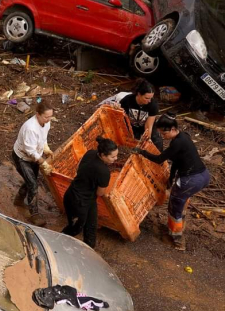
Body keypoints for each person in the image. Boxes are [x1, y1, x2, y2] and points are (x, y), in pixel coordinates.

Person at [135, 115, 210, 250]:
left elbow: (159, 159)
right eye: (161, 133)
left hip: (190, 180)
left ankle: (177, 239)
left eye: (164, 133)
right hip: (203, 175)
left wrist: (141, 152)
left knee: (174, 205)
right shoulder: (183, 137)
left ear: (173, 129)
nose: (163, 136)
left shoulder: (177, 142)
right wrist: (171, 178)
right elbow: (176, 160)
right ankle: (180, 226)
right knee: (182, 200)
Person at [62, 136, 118, 249]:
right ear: (103, 155)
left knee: (91, 225)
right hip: (78, 201)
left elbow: (79, 168)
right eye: (113, 156)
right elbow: (100, 193)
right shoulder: (104, 172)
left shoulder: (91, 153)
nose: (115, 158)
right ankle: (58, 242)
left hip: (81, 195)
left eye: (116, 155)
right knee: (75, 228)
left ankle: (89, 248)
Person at [12, 101, 54, 226]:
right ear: (37, 114)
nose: (48, 119)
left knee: (31, 180)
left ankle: (18, 199)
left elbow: (43, 137)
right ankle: (34, 215)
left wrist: (46, 148)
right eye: (46, 117)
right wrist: (43, 163)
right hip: (22, 158)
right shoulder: (30, 128)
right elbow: (30, 151)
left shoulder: (46, 122)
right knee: (33, 185)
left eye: (50, 116)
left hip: (34, 156)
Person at [118, 80, 163, 151]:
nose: (149, 101)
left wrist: (147, 139)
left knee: (157, 142)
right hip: (132, 127)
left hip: (145, 126)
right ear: (138, 94)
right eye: (146, 98)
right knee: (132, 144)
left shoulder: (153, 105)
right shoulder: (127, 100)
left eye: (151, 98)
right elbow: (119, 113)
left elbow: (148, 126)